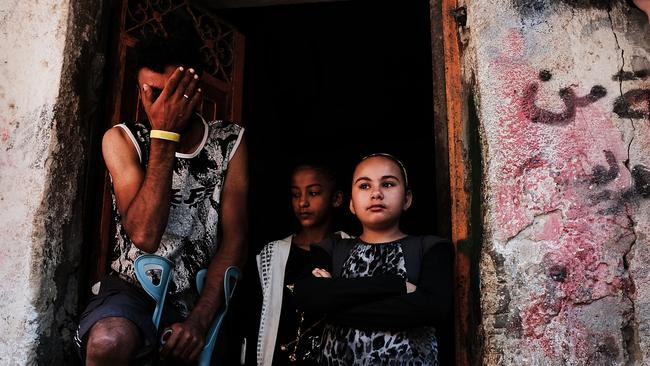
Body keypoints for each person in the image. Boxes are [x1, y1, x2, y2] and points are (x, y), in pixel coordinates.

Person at [74, 33, 248, 365]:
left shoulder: (229, 143)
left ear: (195, 92)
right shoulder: (123, 140)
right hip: (133, 287)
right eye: (153, 93)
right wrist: (164, 136)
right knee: (108, 341)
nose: (160, 107)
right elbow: (145, 235)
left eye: (171, 94)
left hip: (200, 291)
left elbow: (236, 238)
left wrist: (199, 320)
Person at [294, 153, 453, 365]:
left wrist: (332, 304)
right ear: (351, 203)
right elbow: (305, 296)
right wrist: (394, 285)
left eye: (388, 184)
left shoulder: (430, 248)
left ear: (407, 199)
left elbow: (432, 308)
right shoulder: (332, 248)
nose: (376, 193)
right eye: (364, 186)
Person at [255, 164, 349, 365]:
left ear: (336, 198)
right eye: (295, 194)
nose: (303, 202)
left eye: (313, 193)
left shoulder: (352, 250)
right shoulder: (274, 254)